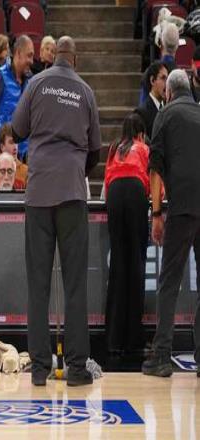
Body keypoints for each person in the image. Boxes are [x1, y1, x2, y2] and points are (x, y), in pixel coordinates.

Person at [11, 36, 101, 387]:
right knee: (75, 285)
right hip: (72, 193)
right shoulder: (86, 92)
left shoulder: (36, 84)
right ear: (75, 60)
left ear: (54, 57)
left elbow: (17, 129)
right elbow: (95, 151)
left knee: (38, 285)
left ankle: (38, 369)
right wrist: (76, 168)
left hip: (39, 194)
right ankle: (77, 369)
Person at [142, 69, 200, 379]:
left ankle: (162, 356)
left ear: (168, 93)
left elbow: (155, 169)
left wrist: (156, 214)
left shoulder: (165, 115)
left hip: (182, 207)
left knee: (169, 282)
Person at [103, 113, 150, 355]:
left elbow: (106, 183)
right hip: (135, 192)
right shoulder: (143, 148)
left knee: (118, 265)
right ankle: (133, 340)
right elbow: (152, 182)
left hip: (114, 194)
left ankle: (113, 339)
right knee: (136, 264)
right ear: (141, 134)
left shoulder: (114, 148)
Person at [0, 35, 34, 164]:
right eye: (29, 56)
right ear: (18, 54)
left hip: (24, 158)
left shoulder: (31, 81)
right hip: (2, 157)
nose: (32, 61)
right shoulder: (0, 77)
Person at [0, 123, 27, 199]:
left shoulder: (26, 172)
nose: (15, 147)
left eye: (16, 142)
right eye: (11, 142)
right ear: (2, 146)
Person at [135, 61, 168, 139]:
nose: (167, 83)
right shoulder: (141, 113)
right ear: (152, 80)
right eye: (163, 78)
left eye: (167, 79)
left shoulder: (169, 108)